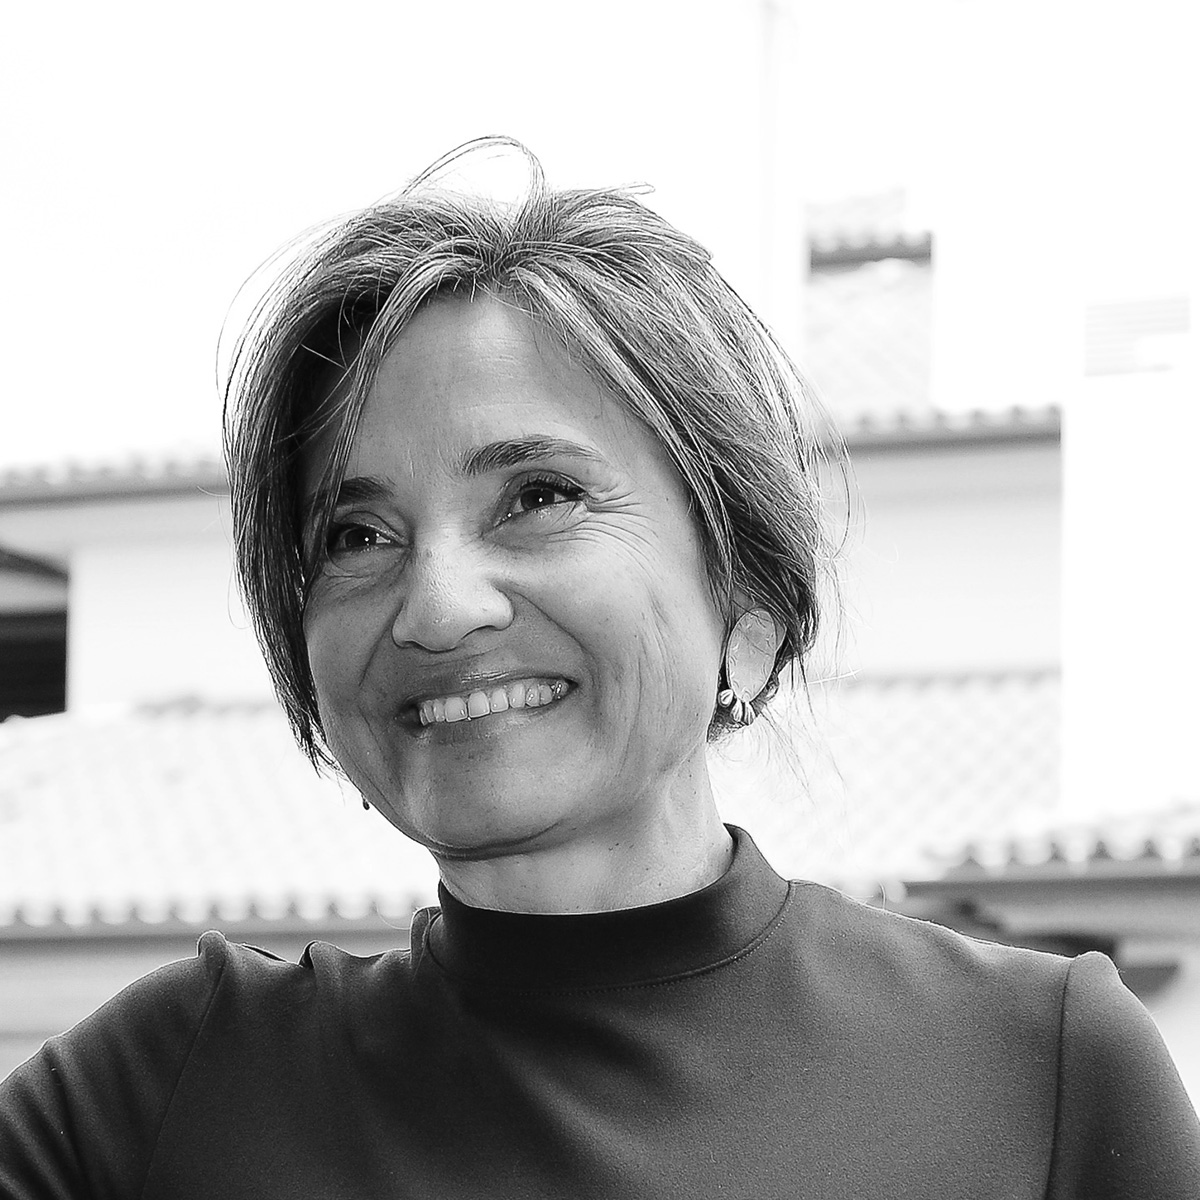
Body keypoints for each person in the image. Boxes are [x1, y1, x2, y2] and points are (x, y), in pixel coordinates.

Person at [2, 140, 1198, 1198]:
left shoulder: (1043, 1072)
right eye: (356, 536)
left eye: (538, 497)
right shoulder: (163, 1096)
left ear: (748, 604)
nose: (438, 607)